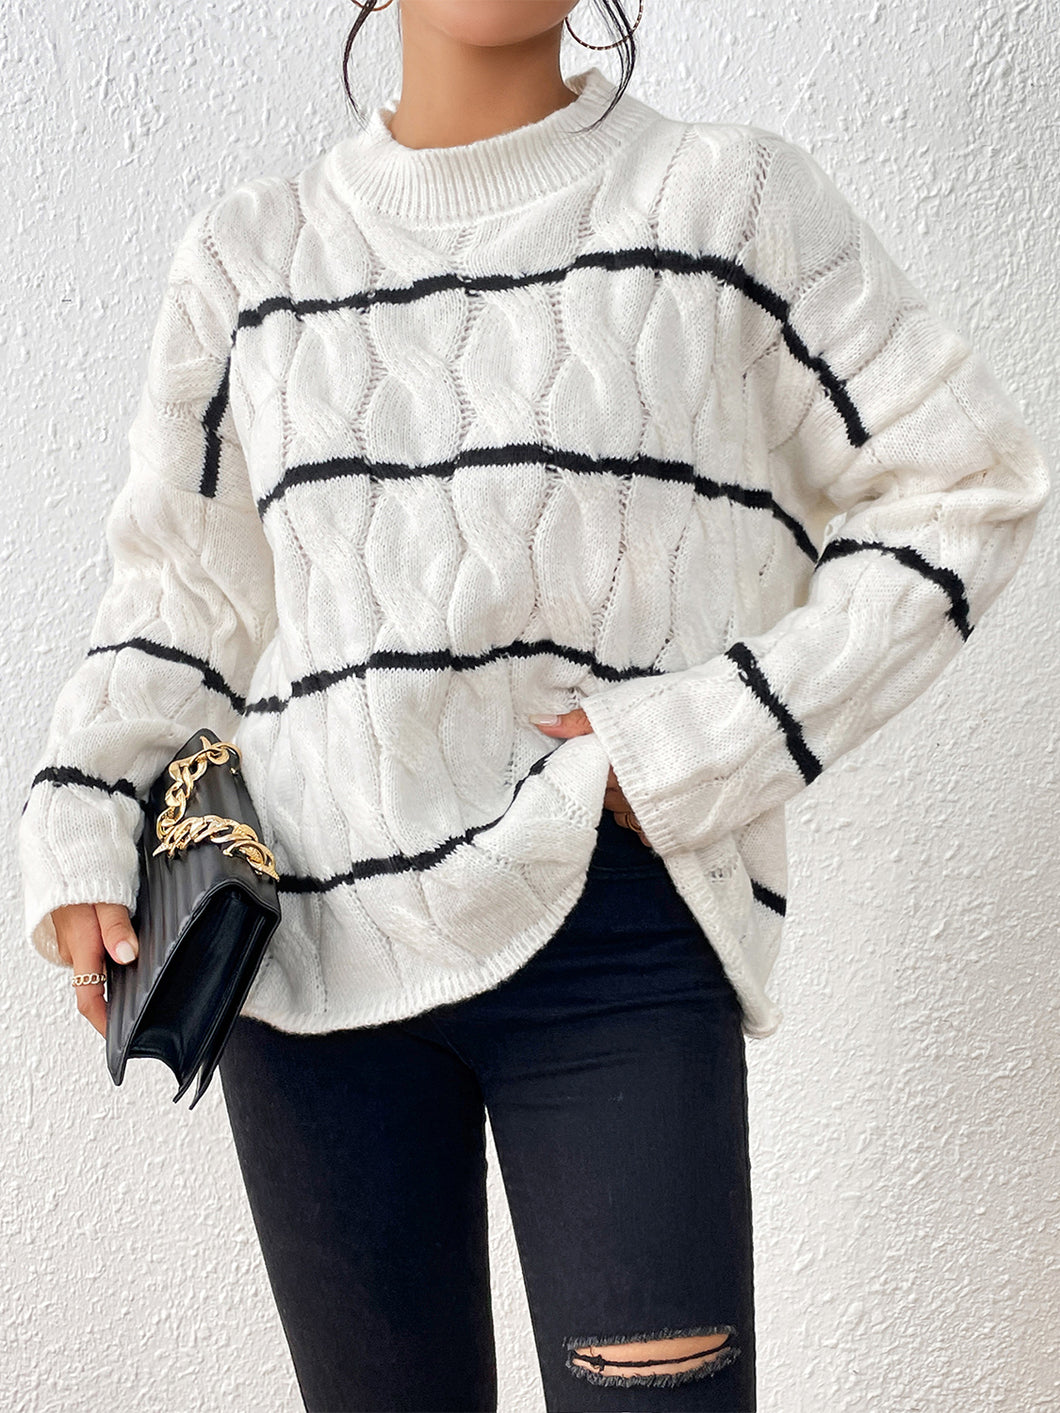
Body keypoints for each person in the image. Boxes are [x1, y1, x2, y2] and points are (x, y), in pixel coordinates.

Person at [17, 2, 1050, 1409]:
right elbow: (179, 596)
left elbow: (967, 483)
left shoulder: (730, 201)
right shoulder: (248, 256)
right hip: (310, 951)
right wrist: (84, 814)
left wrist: (699, 742)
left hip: (615, 932)